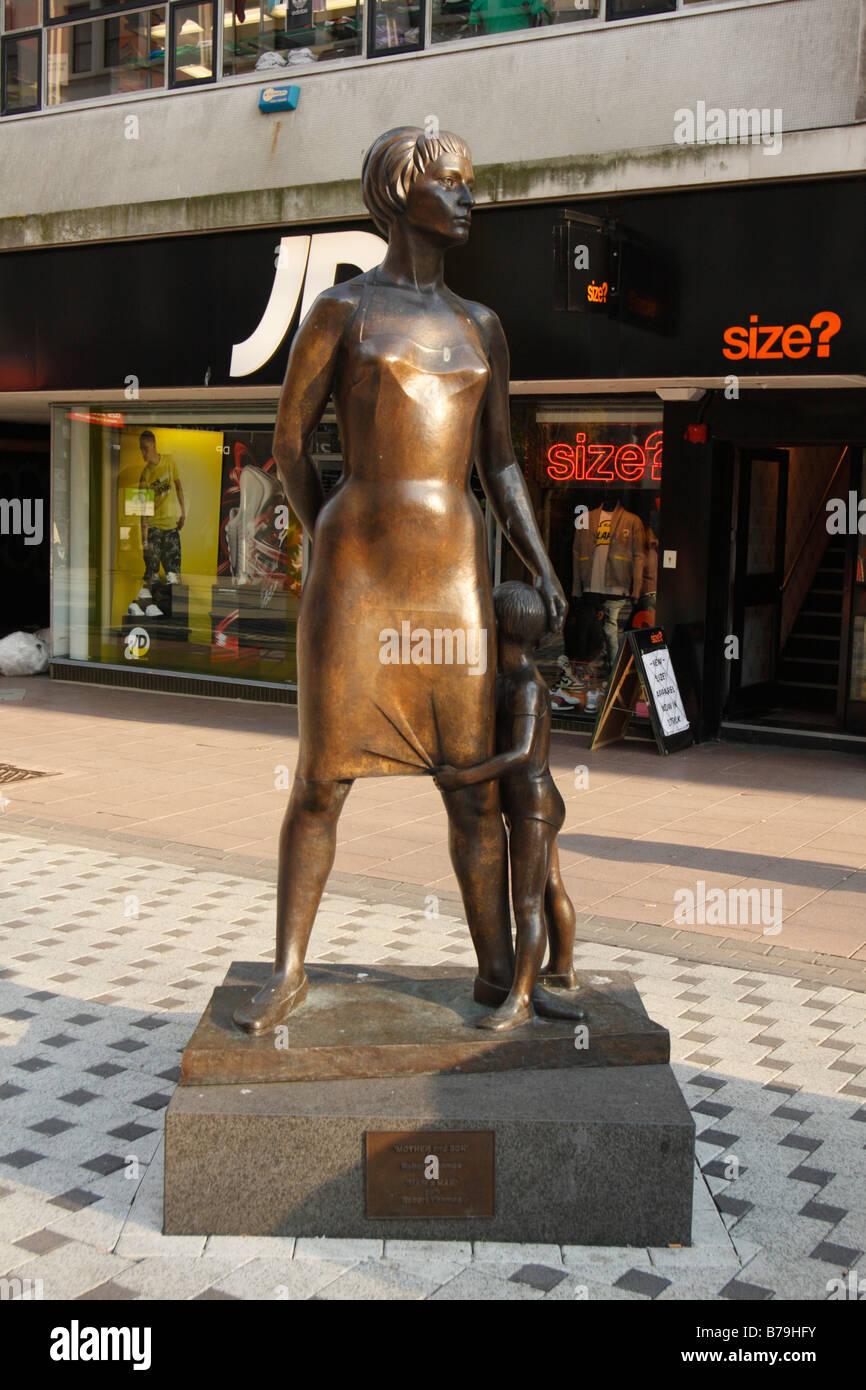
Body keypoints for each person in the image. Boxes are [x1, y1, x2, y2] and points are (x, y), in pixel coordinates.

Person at [234, 127, 566, 1033]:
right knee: (320, 780)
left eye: (470, 184)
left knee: (473, 786)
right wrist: (331, 542)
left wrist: (538, 561)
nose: (469, 199)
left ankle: (499, 970)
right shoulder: (342, 311)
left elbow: (500, 465)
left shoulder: (481, 326)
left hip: (452, 572)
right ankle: (289, 967)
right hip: (356, 570)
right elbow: (291, 447)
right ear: (400, 192)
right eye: (452, 184)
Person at [435, 582, 584, 1031]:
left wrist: (465, 776)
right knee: (550, 885)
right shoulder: (504, 681)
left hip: (534, 807)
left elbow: (520, 753)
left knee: (526, 902)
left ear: (500, 627)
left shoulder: (526, 687)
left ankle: (520, 999)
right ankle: (561, 968)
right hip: (533, 803)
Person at [138, 430, 185, 588]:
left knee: (174, 575)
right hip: (154, 528)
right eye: (141, 449)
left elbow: (179, 487)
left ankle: (174, 609)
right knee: (152, 574)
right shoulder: (145, 476)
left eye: (145, 447)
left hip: (171, 526)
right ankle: (151, 607)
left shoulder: (169, 461)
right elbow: (143, 510)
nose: (143, 452)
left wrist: (183, 513)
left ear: (154, 445)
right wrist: (144, 539)